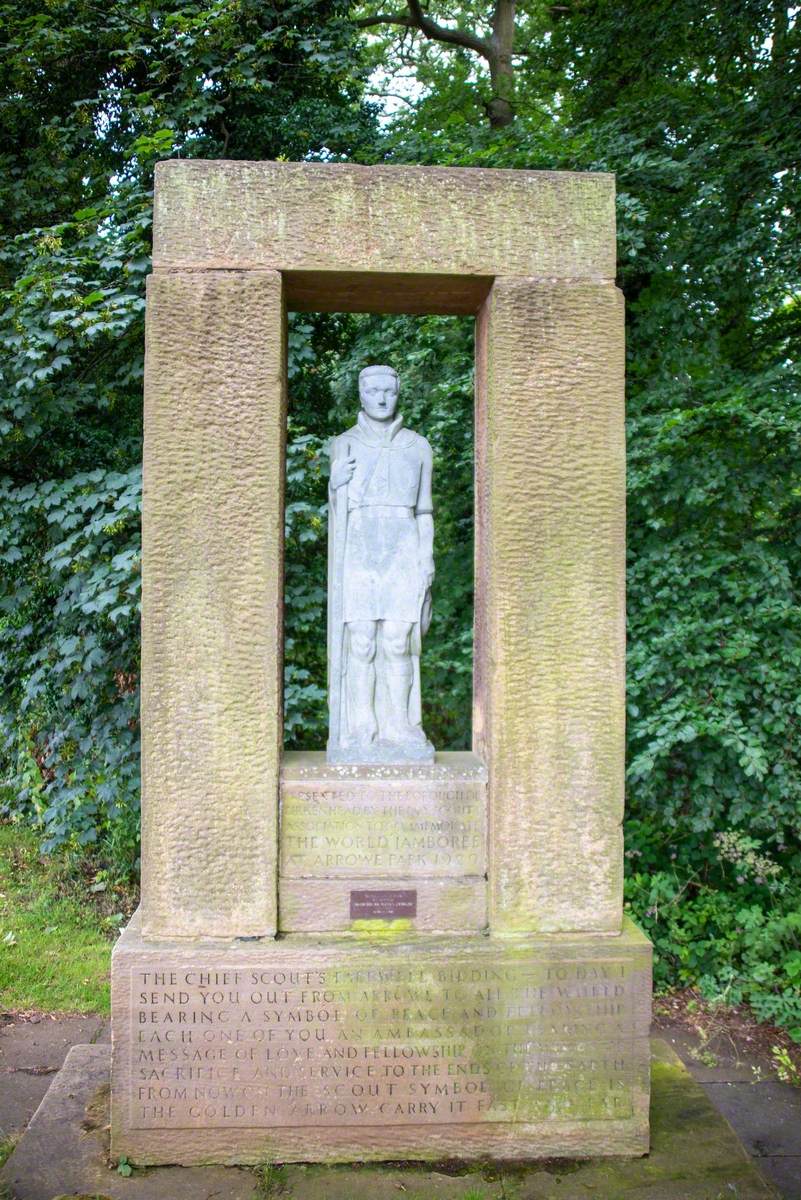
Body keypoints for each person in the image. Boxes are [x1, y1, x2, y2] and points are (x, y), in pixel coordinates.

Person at [327, 365, 435, 763]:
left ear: (398, 393)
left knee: (397, 642)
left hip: (403, 547)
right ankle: (361, 727)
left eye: (388, 391)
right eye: (373, 391)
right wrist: (335, 484)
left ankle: (399, 727)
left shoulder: (417, 446)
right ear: (361, 394)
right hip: (360, 548)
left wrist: (427, 557)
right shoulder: (345, 445)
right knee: (361, 641)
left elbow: (424, 510)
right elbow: (337, 515)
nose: (382, 398)